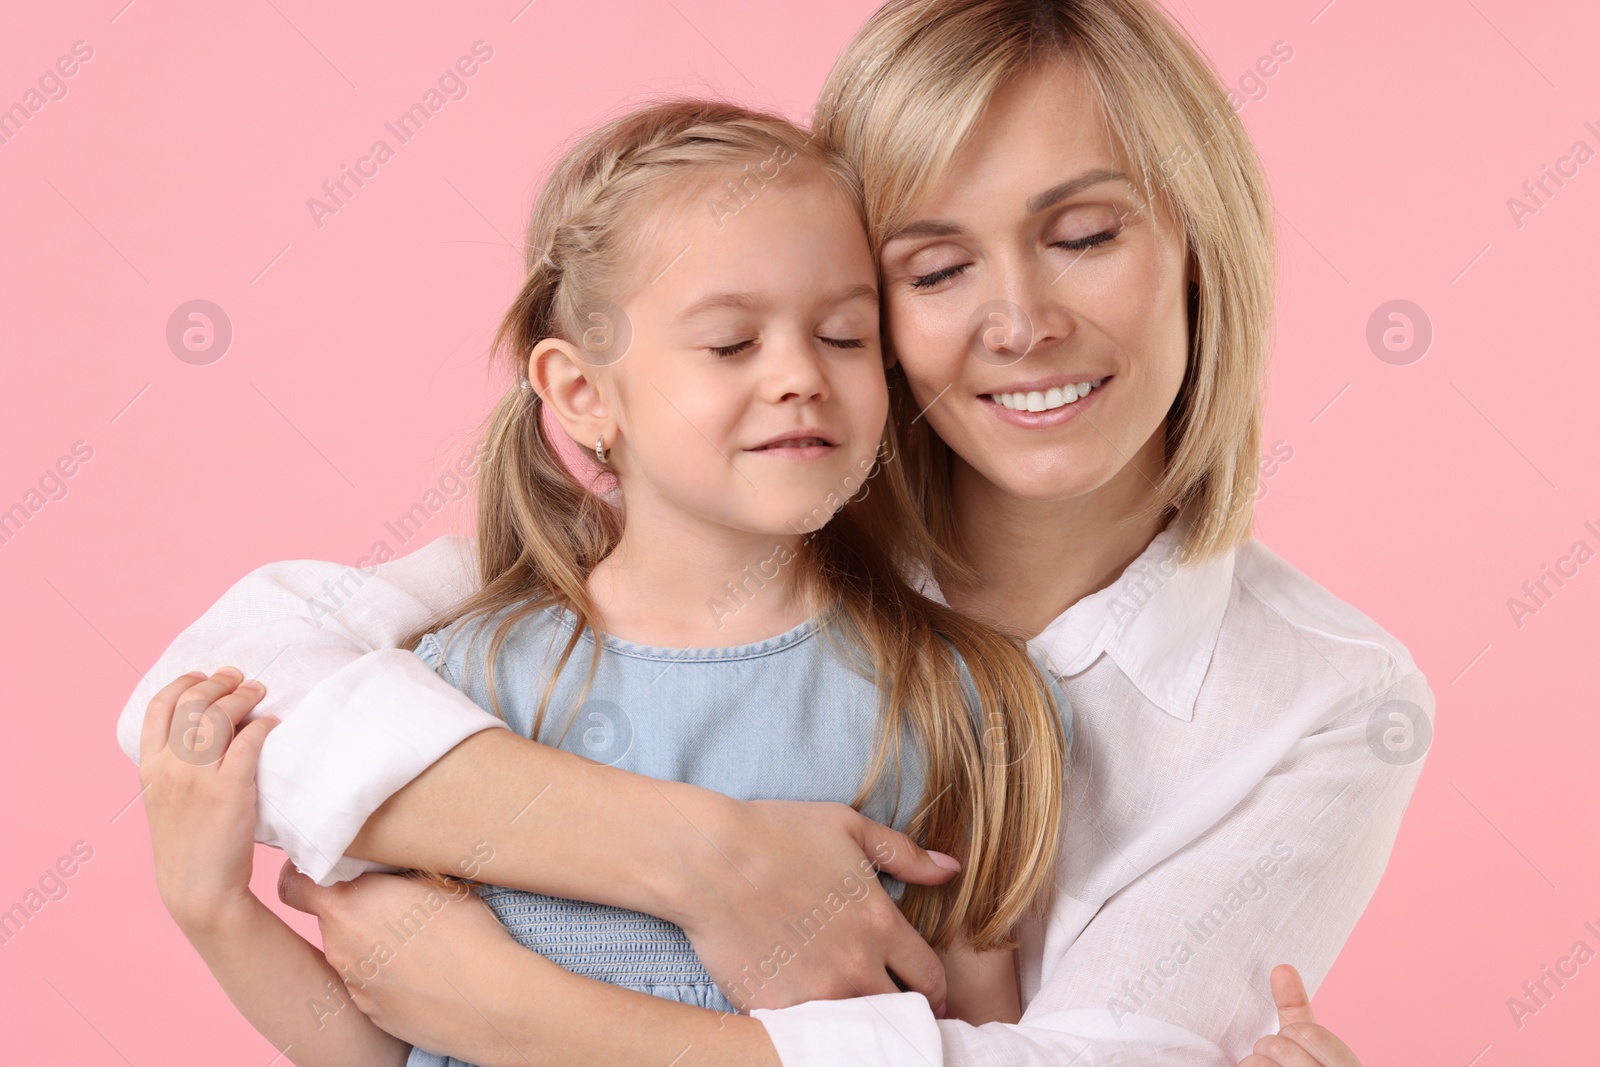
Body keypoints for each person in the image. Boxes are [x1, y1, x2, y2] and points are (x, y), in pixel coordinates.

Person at [117, 1, 1433, 1064]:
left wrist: (518, 1017)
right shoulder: (697, 534)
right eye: (931, 270)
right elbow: (225, 683)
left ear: (1204, 251)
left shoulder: (1303, 698)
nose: (1021, 316)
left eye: (1084, 235)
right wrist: (710, 859)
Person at [136, 99, 1074, 1067]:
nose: (800, 374)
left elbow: (976, 1043)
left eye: (842, 335)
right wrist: (213, 911)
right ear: (582, 394)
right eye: (730, 343)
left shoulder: (961, 699)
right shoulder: (467, 682)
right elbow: (389, 1042)